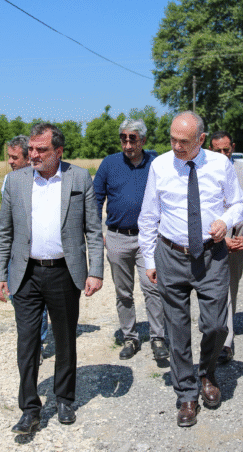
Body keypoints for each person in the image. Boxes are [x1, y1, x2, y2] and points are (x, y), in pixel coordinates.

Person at [0, 123, 104, 434]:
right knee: (27, 341)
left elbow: (93, 231)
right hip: (25, 274)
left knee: (66, 338)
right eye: (31, 149)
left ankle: (65, 398)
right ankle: (30, 408)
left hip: (64, 272)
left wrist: (95, 270)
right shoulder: (15, 182)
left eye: (41, 150)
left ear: (58, 151)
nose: (33, 155)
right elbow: (4, 233)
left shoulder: (78, 177)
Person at [138, 112, 243, 428]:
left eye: (183, 141)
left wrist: (225, 222)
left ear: (200, 139)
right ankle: (186, 393)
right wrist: (150, 260)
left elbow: (238, 203)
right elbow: (148, 217)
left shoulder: (220, 165)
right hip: (170, 254)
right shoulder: (159, 166)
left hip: (211, 257)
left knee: (215, 325)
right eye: (172, 139)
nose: (176, 146)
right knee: (177, 329)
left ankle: (207, 372)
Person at [93, 119, 168, 362]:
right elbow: (95, 199)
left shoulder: (156, 164)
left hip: (149, 238)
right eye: (123, 138)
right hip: (117, 237)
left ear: (143, 140)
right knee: (123, 292)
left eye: (132, 138)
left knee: (153, 288)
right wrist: (97, 232)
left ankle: (158, 338)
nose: (127, 143)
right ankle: (130, 337)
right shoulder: (109, 164)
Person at [1, 136, 49, 363]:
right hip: (16, 253)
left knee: (37, 303)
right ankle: (30, 340)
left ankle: (36, 343)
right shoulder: (9, 181)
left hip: (37, 253)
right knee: (18, 299)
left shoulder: (40, 181)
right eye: (9, 156)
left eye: (14, 157)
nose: (10, 161)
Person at [209, 130, 243, 364]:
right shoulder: (204, 170)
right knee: (216, 291)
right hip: (213, 239)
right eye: (218, 150)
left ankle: (226, 338)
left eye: (227, 149)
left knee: (230, 289)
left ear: (233, 147)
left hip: (236, 241)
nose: (223, 154)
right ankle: (221, 339)